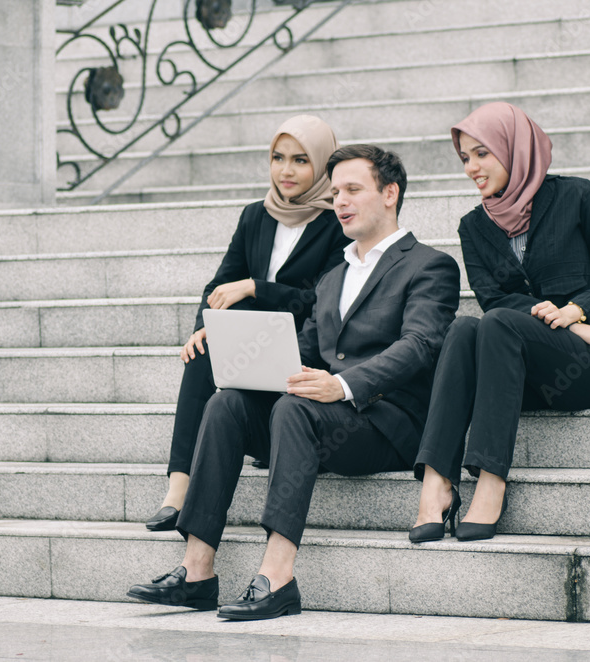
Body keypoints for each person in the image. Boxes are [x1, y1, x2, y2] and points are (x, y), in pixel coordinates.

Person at [127, 145, 461, 619]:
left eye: (353, 190)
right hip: (319, 418)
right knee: (228, 404)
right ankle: (198, 571)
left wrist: (342, 386)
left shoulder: (430, 264)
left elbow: (420, 345)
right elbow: (303, 351)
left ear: (390, 194)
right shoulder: (333, 277)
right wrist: (234, 356)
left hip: (385, 423)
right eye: (335, 192)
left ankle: (277, 577)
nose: (340, 201)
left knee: (293, 408)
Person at [408, 102, 590, 544]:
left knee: (495, 323)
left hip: (586, 368)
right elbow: (495, 298)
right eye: (464, 158)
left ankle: (492, 479)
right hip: (515, 371)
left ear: (514, 148)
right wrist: (577, 325)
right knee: (463, 327)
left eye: (482, 153)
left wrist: (576, 313)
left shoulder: (576, 197)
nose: (472, 168)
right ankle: (436, 482)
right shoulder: (473, 226)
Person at [145, 115, 351, 532]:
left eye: (300, 160)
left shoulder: (337, 222)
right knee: (203, 348)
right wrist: (204, 325)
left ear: (323, 166)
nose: (286, 171)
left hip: (303, 347)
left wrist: (257, 288)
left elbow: (322, 302)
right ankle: (178, 487)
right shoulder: (256, 215)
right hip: (251, 341)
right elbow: (218, 284)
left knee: (231, 334)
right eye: (277, 158)